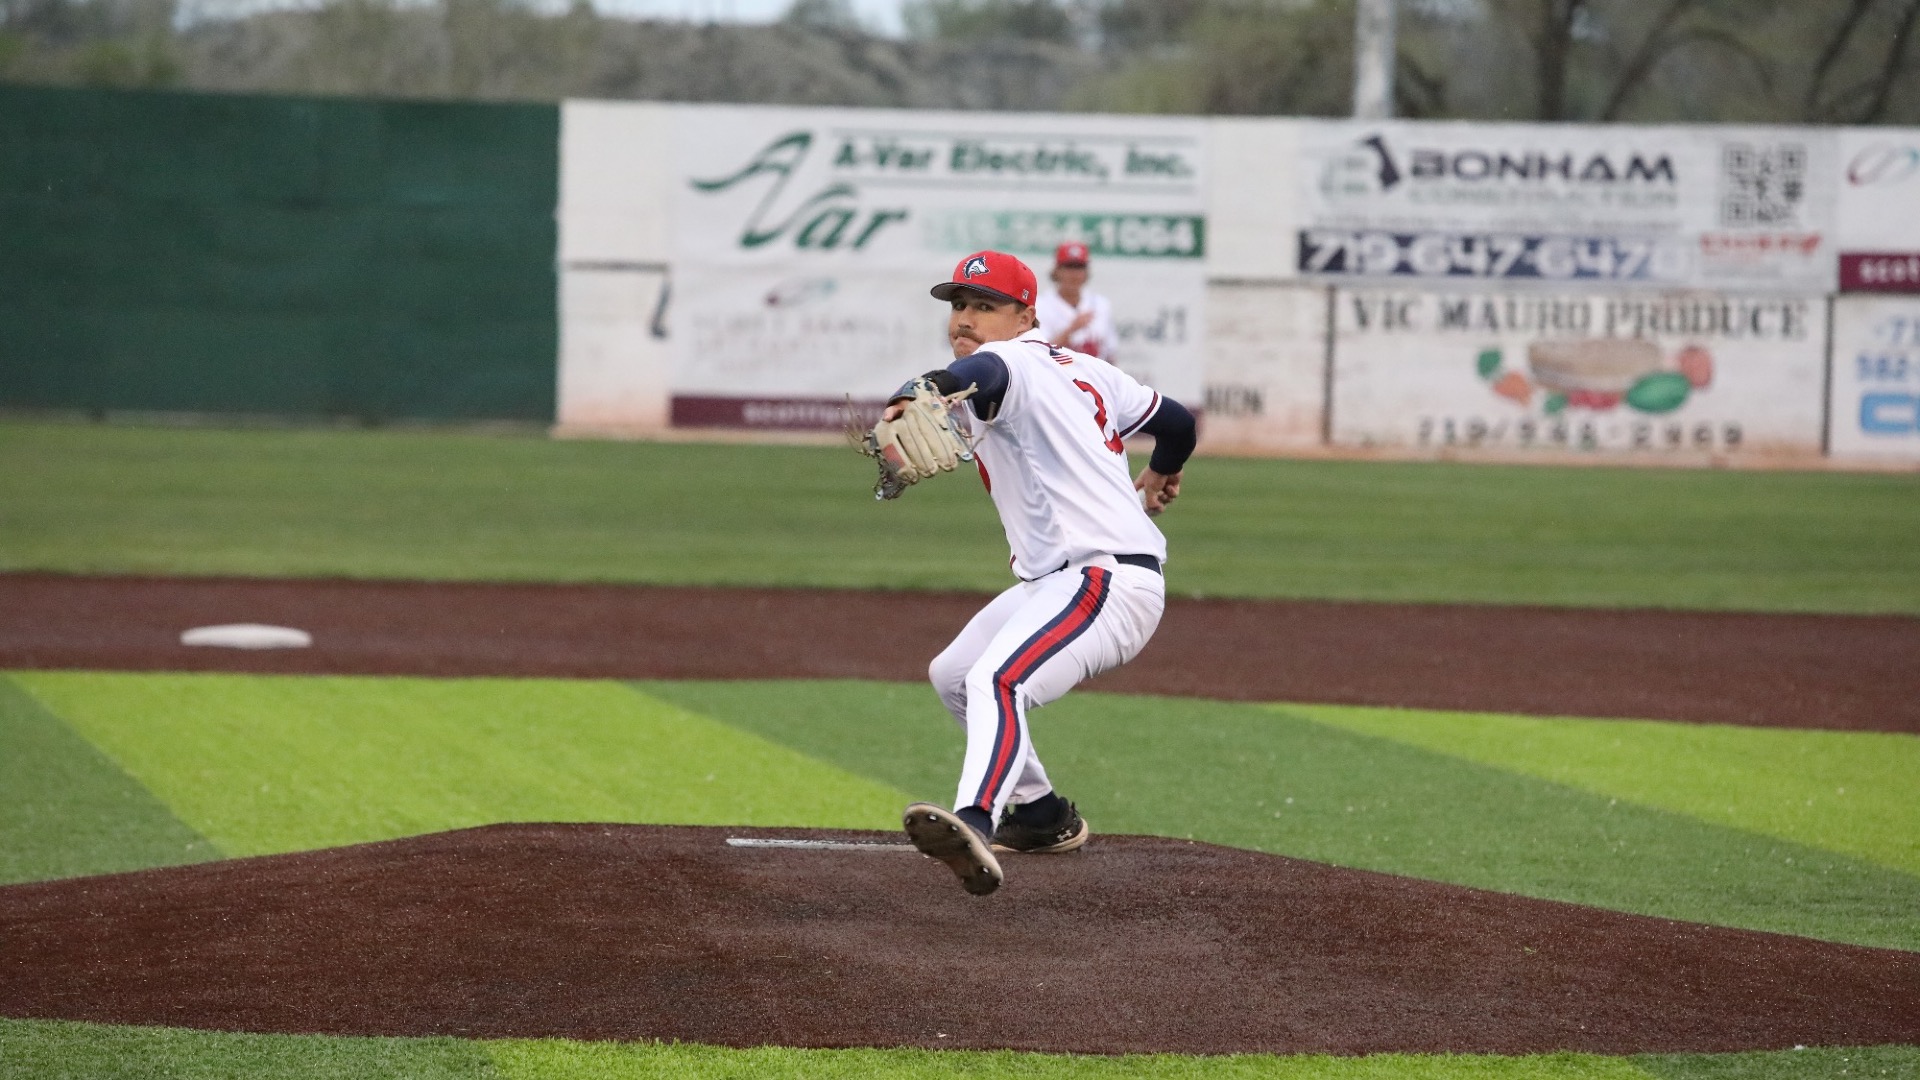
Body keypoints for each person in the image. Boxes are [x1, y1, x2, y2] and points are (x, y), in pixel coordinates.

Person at [884, 250, 1197, 896]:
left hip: (1107, 580)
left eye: (984, 306)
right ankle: (1041, 813)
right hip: (1060, 580)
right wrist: (1164, 468)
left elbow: (971, 371)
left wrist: (913, 394)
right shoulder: (1087, 370)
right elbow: (1176, 423)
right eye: (959, 306)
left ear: (1027, 314)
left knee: (999, 680)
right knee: (954, 676)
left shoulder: (1012, 363)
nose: (966, 318)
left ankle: (973, 817)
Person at [1034, 241, 1116, 359]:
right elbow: (1040, 353)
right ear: (1056, 270)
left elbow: (1110, 353)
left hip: (1093, 376)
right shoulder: (1040, 305)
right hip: (1056, 375)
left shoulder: (1101, 304)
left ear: (1086, 272)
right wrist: (1072, 329)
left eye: (1079, 267)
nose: (1074, 274)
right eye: (1069, 267)